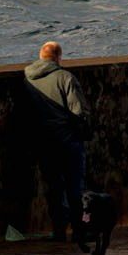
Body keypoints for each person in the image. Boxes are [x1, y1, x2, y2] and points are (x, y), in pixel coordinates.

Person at [21, 41, 90, 240]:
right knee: (74, 187)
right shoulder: (65, 77)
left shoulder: (28, 79)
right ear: (59, 57)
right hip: (68, 142)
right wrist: (80, 133)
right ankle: (78, 229)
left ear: (41, 56)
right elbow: (79, 112)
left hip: (43, 143)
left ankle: (59, 229)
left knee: (54, 187)